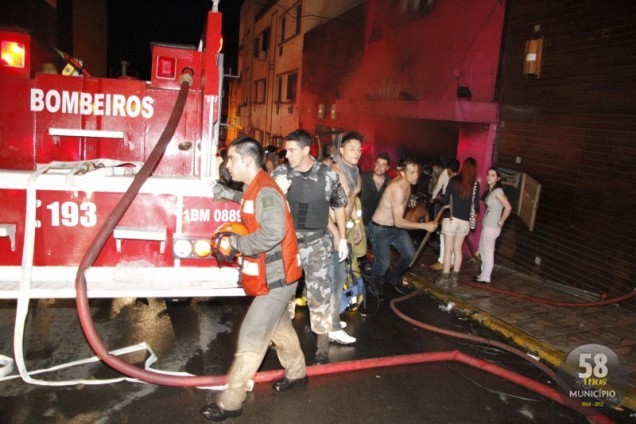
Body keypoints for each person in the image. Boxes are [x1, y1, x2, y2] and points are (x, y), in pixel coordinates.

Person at [200, 137, 307, 422]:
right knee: (279, 328)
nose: (227, 164)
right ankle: (297, 373)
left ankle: (230, 403)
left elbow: (273, 232)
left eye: (232, 159)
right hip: (278, 277)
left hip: (278, 279)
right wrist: (226, 193)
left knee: (252, 335)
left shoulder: (266, 191)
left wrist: (237, 244)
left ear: (248, 160)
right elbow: (249, 200)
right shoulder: (256, 187)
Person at [272, 129, 349, 365]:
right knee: (285, 293)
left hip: (317, 244)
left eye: (292, 150)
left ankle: (322, 347)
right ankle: (283, 342)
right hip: (288, 243)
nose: (288, 155)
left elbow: (339, 206)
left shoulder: (328, 176)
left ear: (306, 150)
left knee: (320, 296)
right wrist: (278, 192)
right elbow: (265, 206)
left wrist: (343, 237)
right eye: (286, 150)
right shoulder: (280, 173)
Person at [369, 160, 437, 296]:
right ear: (403, 173)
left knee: (410, 255)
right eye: (412, 172)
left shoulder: (407, 183)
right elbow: (399, 222)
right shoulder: (398, 189)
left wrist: (409, 199)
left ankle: (392, 278)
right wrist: (424, 225)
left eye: (417, 171)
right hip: (381, 229)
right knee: (383, 265)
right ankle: (373, 284)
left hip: (395, 229)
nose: (416, 175)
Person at [327, 131, 364, 345]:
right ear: (341, 150)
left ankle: (329, 318)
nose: (357, 153)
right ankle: (331, 326)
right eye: (352, 148)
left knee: (335, 279)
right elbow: (326, 207)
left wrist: (355, 223)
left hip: (343, 229)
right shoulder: (336, 172)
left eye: (359, 149)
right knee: (334, 280)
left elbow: (351, 200)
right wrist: (336, 234)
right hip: (329, 232)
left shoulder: (353, 171)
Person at [435, 157, 480, 289]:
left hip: (451, 219)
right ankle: (454, 280)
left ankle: (444, 279)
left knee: (448, 250)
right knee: (458, 250)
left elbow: (445, 200)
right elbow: (476, 207)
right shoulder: (475, 185)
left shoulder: (454, 180)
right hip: (464, 222)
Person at [474, 167, 512, 284]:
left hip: (492, 226)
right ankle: (483, 274)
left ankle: (486, 276)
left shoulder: (498, 191)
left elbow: (508, 207)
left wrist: (502, 220)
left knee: (488, 251)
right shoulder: (492, 190)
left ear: (498, 178)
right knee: (483, 250)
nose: (489, 177)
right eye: (489, 174)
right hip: (487, 224)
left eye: (493, 175)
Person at [430, 159, 460, 271]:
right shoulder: (460, 179)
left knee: (444, 234)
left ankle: (442, 261)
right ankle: (451, 261)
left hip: (447, 208)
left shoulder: (452, 181)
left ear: (448, 169)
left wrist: (434, 197)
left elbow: (441, 190)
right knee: (453, 237)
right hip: (457, 211)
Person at [360, 153, 391, 248]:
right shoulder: (362, 178)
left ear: (388, 168)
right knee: (360, 251)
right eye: (378, 163)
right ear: (374, 164)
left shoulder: (391, 183)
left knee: (378, 251)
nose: (379, 166)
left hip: (379, 225)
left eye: (383, 165)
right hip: (362, 221)